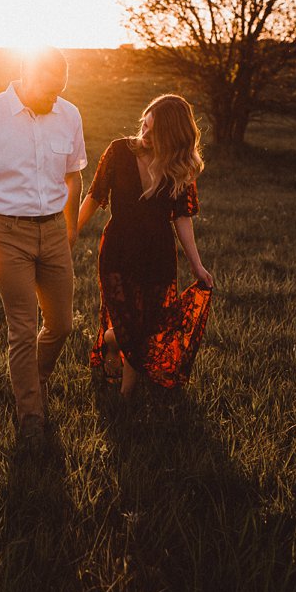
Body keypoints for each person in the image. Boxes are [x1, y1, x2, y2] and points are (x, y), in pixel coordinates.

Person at [0, 47, 87, 452]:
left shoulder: (70, 114)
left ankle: (36, 377)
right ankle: (31, 417)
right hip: (7, 232)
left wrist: (68, 230)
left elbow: (73, 177)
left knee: (62, 324)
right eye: (48, 89)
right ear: (27, 76)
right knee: (22, 327)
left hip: (53, 232)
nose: (54, 98)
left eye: (60, 89)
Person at [77, 94, 213, 400]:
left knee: (146, 326)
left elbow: (182, 217)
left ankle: (115, 347)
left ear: (173, 136)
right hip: (118, 250)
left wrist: (196, 263)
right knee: (130, 322)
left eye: (154, 132)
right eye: (144, 126)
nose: (145, 135)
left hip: (158, 254)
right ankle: (127, 397)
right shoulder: (119, 151)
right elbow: (95, 195)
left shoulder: (178, 166)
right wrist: (70, 232)